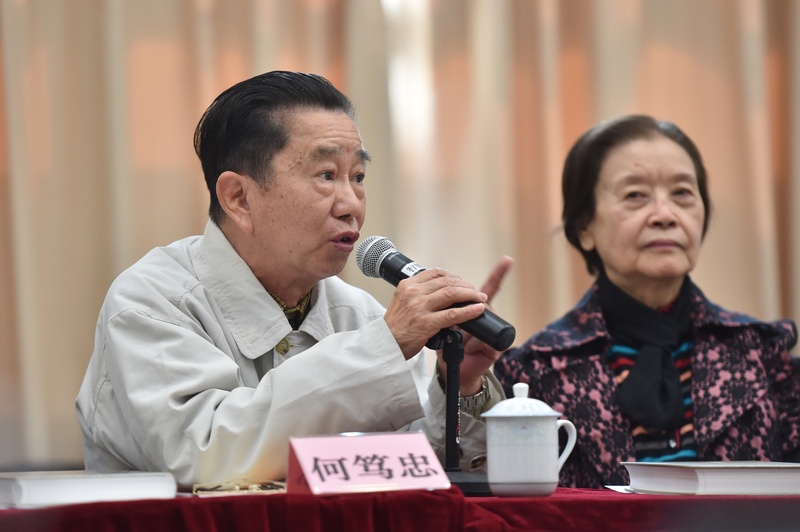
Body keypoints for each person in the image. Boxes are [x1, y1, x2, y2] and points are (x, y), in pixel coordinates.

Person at [76, 71, 512, 490]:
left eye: (358, 177)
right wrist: (384, 346)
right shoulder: (152, 302)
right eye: (326, 176)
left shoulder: (360, 314)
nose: (351, 205)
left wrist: (458, 384)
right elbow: (205, 454)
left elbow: (414, 461)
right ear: (238, 198)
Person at [494, 114, 800, 489]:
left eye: (682, 193)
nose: (665, 215)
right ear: (585, 227)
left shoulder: (764, 354)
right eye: (635, 196)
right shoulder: (535, 370)